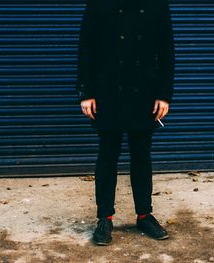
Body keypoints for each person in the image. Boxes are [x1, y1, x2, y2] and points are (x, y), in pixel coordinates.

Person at [75, 0, 175, 245]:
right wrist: (86, 92)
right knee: (108, 155)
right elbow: (86, 49)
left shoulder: (157, 5)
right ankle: (104, 218)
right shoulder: (98, 4)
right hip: (108, 91)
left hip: (144, 92)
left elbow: (166, 51)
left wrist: (164, 94)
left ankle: (144, 215)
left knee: (141, 155)